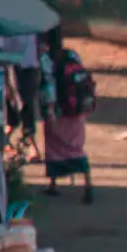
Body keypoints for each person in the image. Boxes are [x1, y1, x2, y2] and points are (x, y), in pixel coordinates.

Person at [40, 29, 95, 203]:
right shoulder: (72, 55)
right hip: (76, 109)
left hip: (59, 110)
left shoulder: (46, 59)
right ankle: (87, 183)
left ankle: (53, 184)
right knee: (76, 146)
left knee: (54, 146)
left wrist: (50, 110)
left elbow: (48, 86)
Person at [0, 31, 41, 160]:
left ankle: (5, 140)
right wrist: (7, 82)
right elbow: (3, 49)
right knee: (23, 105)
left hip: (29, 64)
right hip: (16, 65)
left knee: (24, 105)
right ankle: (29, 143)